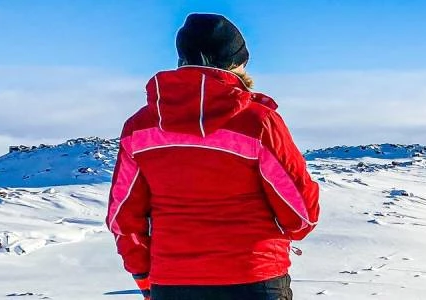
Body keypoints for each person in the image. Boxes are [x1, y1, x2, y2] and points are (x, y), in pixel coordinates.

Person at [106, 13, 319, 300]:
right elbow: (301, 214)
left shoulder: (140, 128)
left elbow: (123, 215)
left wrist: (143, 274)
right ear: (238, 63)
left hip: (173, 282)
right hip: (254, 278)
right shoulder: (259, 122)